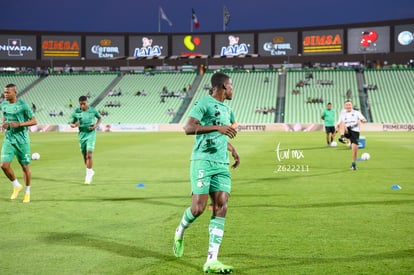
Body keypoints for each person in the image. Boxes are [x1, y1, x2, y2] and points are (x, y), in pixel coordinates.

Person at [173, 72, 240, 274]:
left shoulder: (228, 110)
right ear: (222, 87)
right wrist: (218, 128)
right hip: (202, 160)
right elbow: (188, 128)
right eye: (230, 85)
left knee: (221, 205)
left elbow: (222, 134)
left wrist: (232, 149)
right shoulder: (204, 103)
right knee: (198, 209)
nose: (232, 89)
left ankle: (212, 260)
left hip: (221, 164)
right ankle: (180, 230)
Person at [1, 83, 37, 203]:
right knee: (4, 165)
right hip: (9, 139)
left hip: (22, 140)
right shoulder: (4, 105)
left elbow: (34, 121)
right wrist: (4, 124)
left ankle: (27, 192)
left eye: (8, 92)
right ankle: (16, 185)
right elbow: (5, 118)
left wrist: (19, 124)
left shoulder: (23, 105)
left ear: (15, 93)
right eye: (4, 92)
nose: (5, 94)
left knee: (25, 167)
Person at [70, 96, 102, 184]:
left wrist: (96, 125)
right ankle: (90, 170)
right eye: (81, 104)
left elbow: (99, 118)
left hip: (91, 134)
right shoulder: (76, 112)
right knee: (84, 156)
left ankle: (88, 175)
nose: (83, 105)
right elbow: (72, 122)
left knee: (89, 155)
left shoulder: (93, 110)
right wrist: (73, 125)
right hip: (82, 135)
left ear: (87, 102)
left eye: (84, 103)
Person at [337, 100, 367, 170]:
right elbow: (338, 124)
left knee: (355, 148)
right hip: (347, 130)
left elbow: (364, 119)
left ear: (351, 105)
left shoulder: (356, 113)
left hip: (355, 131)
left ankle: (353, 164)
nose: (348, 106)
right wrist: (336, 130)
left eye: (349, 105)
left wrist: (363, 121)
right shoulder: (342, 114)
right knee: (342, 123)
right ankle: (342, 138)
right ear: (344, 106)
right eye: (346, 105)